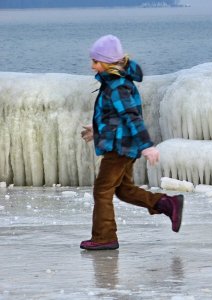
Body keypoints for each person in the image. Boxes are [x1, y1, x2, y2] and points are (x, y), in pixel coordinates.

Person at [80, 34, 184, 250]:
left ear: (108, 63)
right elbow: (115, 116)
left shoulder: (117, 85)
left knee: (102, 190)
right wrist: (97, 129)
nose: (92, 66)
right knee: (124, 190)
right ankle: (167, 204)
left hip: (120, 148)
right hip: (122, 145)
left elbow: (131, 116)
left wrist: (147, 145)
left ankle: (104, 237)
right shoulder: (115, 82)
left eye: (95, 62)